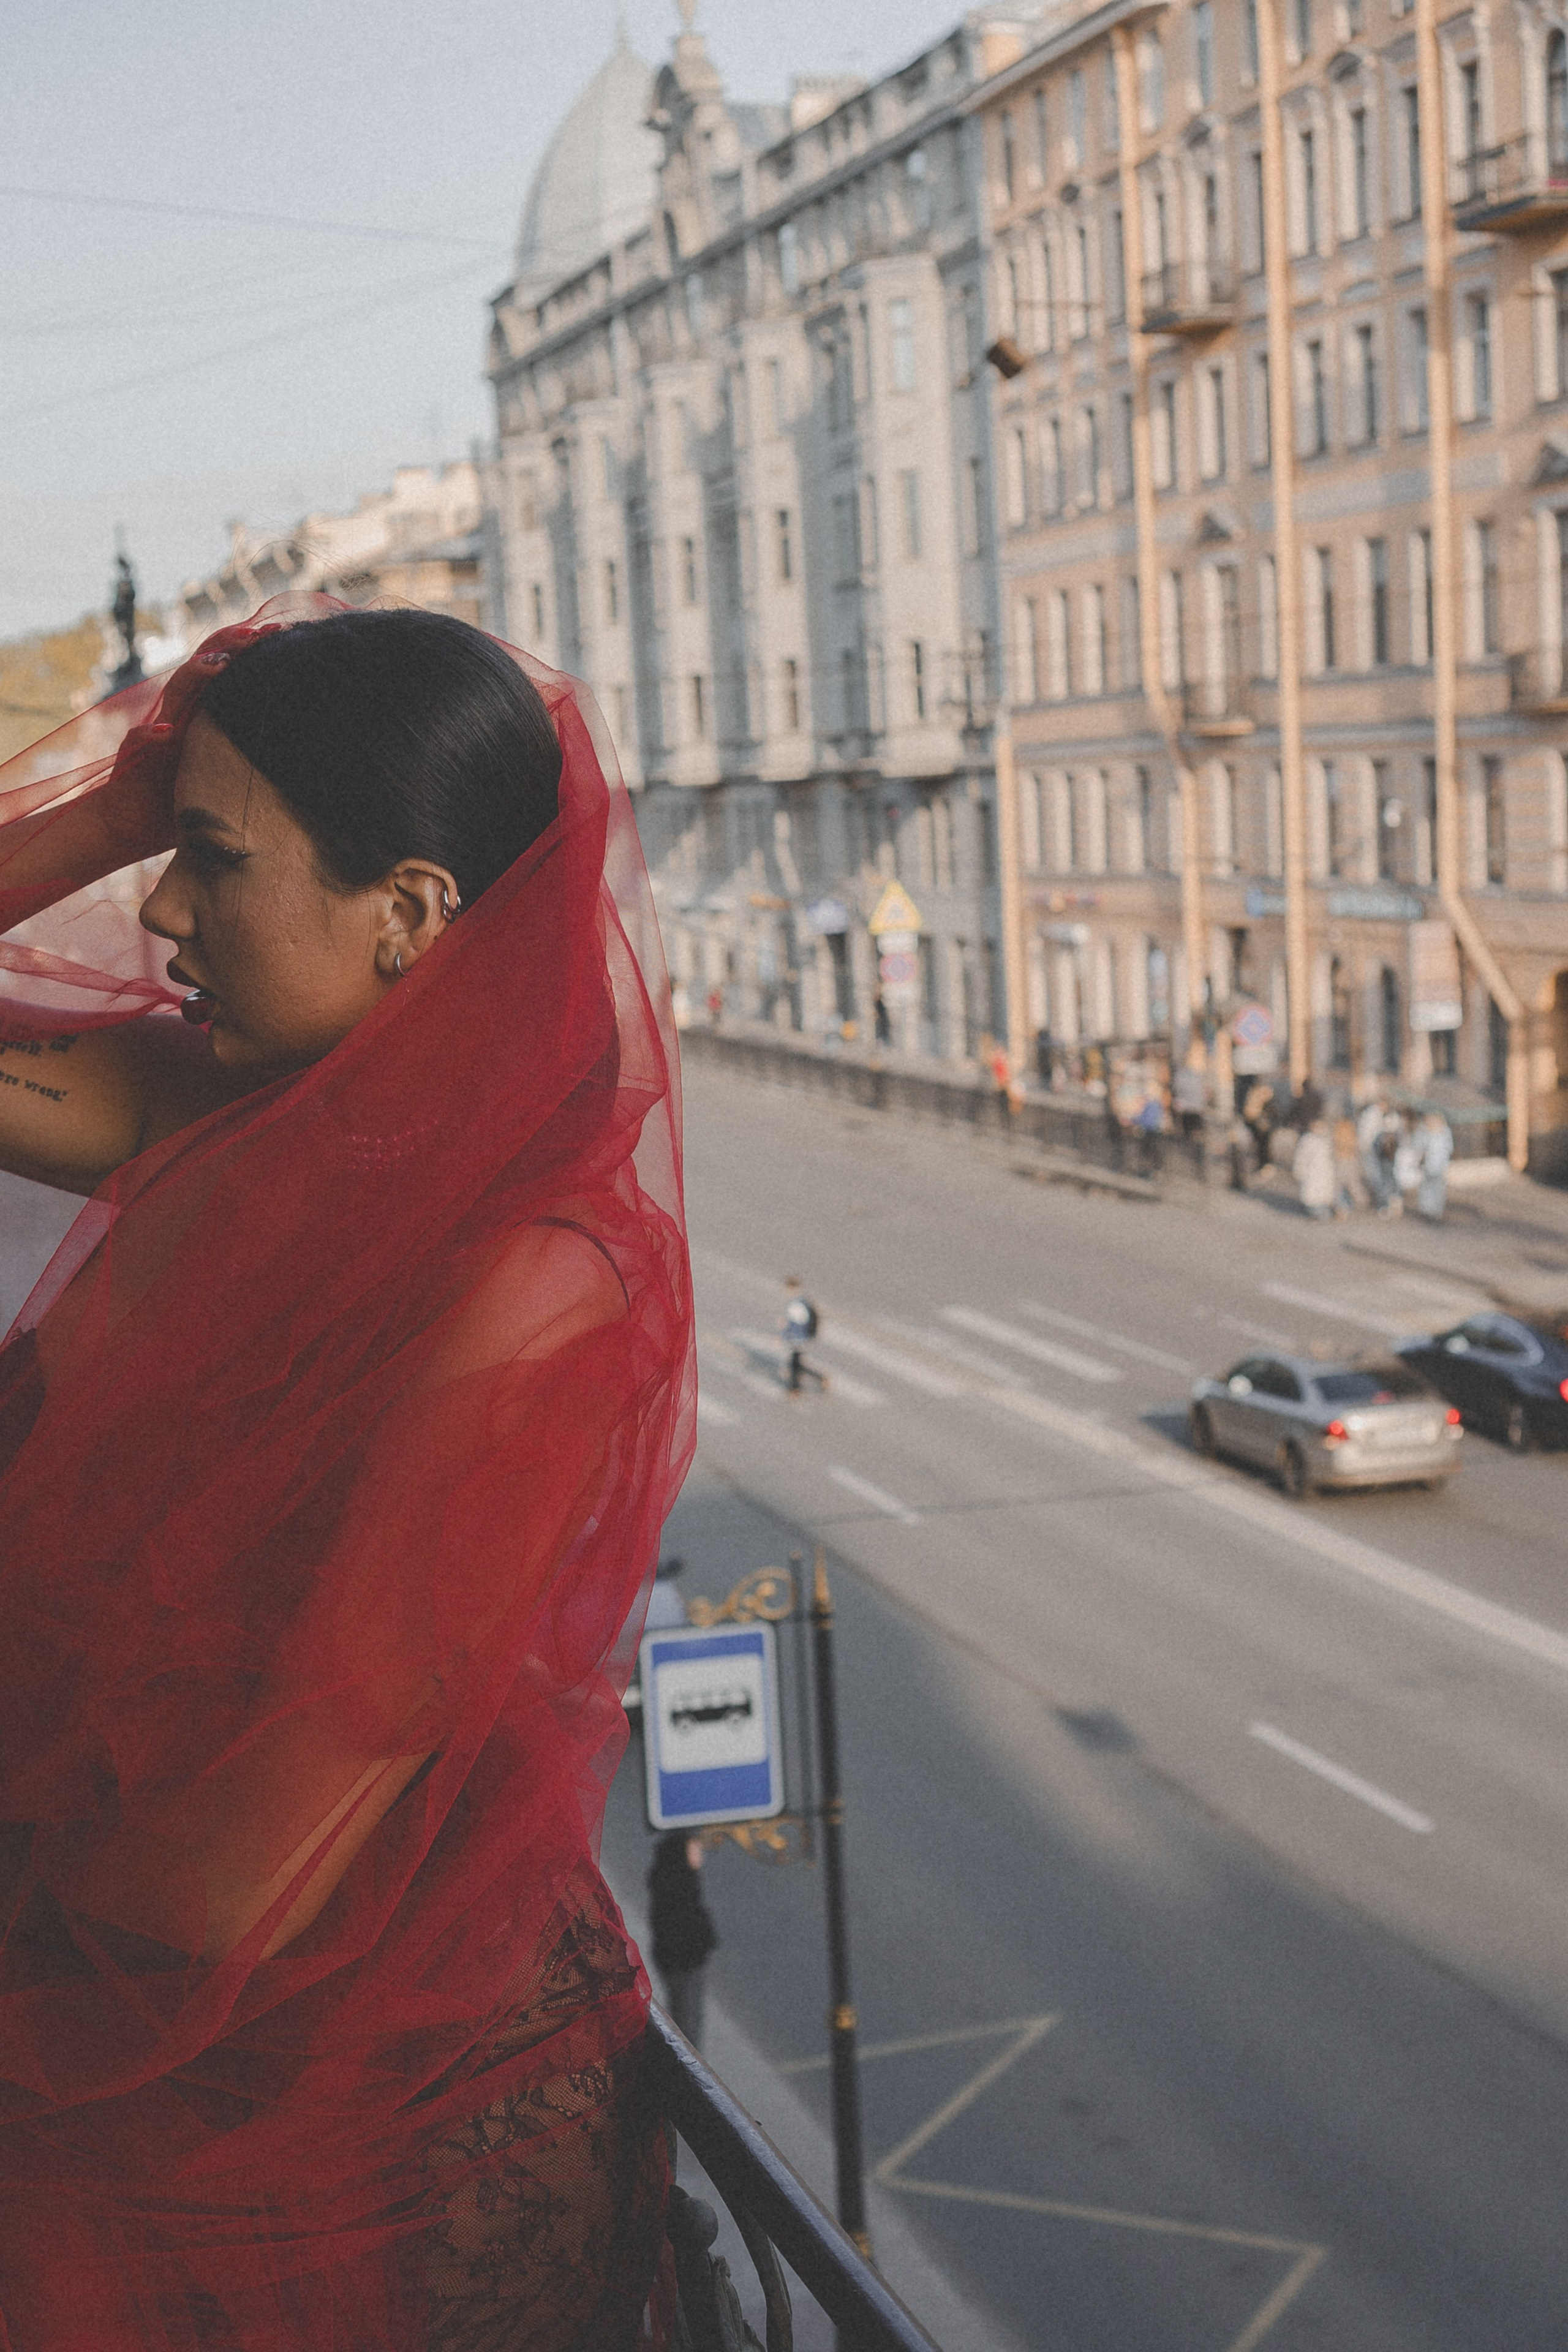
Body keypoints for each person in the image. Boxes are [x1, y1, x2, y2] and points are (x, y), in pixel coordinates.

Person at [0, 599, 695, 2350]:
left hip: (326, 2160)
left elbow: (241, 1874)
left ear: (408, 916)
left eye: (208, 859)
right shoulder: (228, 1122)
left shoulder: (525, 1285)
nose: (158, 908)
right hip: (119, 2053)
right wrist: (123, 795)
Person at [647, 1833, 718, 2051]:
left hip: (676, 1957)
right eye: (696, 1848)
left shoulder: (667, 1879)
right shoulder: (680, 1885)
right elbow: (686, 1922)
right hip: (685, 1959)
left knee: (684, 2015)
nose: (700, 1854)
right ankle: (689, 2068)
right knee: (688, 2019)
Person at [780, 1274, 827, 1393]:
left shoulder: (795, 1305)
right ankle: (820, 1379)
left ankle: (795, 1388)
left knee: (795, 1364)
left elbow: (796, 1324)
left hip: (798, 1338)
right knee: (796, 1363)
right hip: (804, 1337)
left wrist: (784, 1334)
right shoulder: (803, 1301)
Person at [1416, 1107, 1454, 1220]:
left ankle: (1432, 1209)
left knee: (1433, 1187)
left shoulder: (1443, 1132)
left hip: (1437, 1165)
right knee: (1432, 1187)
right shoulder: (1426, 1131)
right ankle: (1430, 1209)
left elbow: (1448, 1148)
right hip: (1433, 1165)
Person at [1294, 1119, 1336, 1218]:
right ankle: (1316, 1212)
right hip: (1311, 1173)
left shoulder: (1327, 1140)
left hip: (1324, 1174)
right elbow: (1301, 1158)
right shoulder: (1307, 1140)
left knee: (1322, 1196)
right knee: (1312, 1196)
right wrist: (1299, 1171)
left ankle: (1323, 1211)